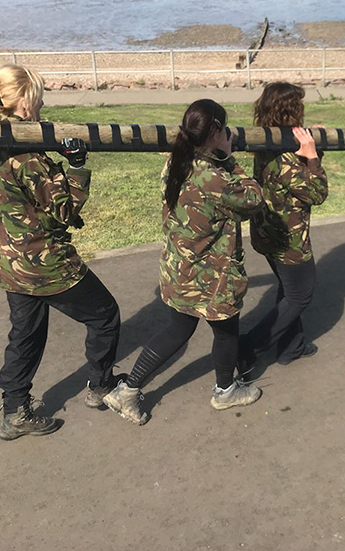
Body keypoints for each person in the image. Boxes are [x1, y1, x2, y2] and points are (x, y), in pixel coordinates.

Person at [0, 64, 122, 441]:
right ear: (25, 102)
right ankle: (101, 384)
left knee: (25, 334)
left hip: (10, 259)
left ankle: (15, 410)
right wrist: (76, 166)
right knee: (105, 314)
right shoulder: (26, 156)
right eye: (39, 96)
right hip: (44, 263)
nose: (43, 102)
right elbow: (63, 209)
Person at [103, 99, 264, 424]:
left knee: (178, 329)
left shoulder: (175, 162)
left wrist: (217, 153)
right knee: (226, 330)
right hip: (212, 276)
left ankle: (129, 390)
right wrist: (230, 158)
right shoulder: (215, 178)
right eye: (223, 129)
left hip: (180, 268)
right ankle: (225, 390)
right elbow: (254, 199)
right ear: (215, 131)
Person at [239, 82, 328, 372]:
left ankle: (292, 347)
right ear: (292, 110)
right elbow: (316, 192)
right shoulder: (287, 157)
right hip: (288, 239)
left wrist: (308, 145)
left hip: (267, 232)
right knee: (301, 294)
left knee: (289, 289)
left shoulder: (269, 140)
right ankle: (246, 347)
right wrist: (313, 157)